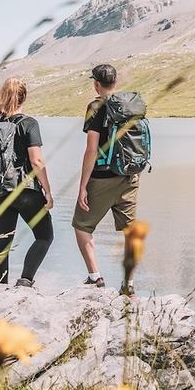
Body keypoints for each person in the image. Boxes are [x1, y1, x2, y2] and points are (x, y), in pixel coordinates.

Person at [73, 64, 140, 292]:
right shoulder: (130, 104)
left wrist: (83, 186)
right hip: (130, 175)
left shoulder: (95, 106)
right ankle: (129, 285)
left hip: (101, 178)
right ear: (115, 82)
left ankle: (95, 277)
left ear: (96, 84)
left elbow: (91, 150)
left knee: (82, 225)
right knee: (131, 231)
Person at [0, 77, 54, 287]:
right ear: (24, 97)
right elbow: (36, 161)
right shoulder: (28, 124)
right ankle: (25, 281)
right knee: (44, 236)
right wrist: (48, 191)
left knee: (2, 243)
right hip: (26, 192)